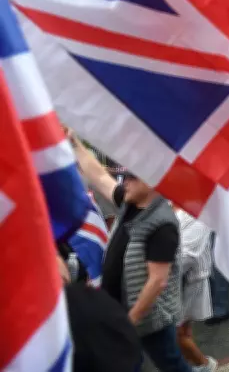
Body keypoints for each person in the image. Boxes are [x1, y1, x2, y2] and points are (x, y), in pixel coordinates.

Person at [71, 136, 192, 372]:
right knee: (127, 362)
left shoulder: (162, 224)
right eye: (124, 177)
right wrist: (74, 143)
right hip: (121, 310)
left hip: (147, 319)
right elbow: (99, 176)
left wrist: (131, 321)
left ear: (153, 182)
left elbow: (157, 281)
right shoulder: (130, 203)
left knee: (171, 364)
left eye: (131, 177)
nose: (124, 181)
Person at [175, 209, 217, 371]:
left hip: (190, 280)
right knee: (183, 332)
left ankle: (206, 366)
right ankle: (200, 365)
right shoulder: (166, 201)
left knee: (177, 334)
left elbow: (187, 255)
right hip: (176, 279)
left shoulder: (197, 212)